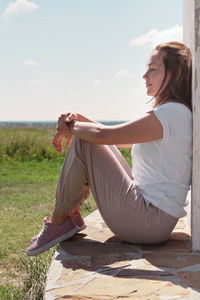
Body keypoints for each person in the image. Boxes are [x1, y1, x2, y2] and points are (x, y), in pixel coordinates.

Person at [26, 41, 192, 256]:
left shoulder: (172, 114)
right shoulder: (175, 113)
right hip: (152, 221)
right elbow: (113, 137)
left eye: (152, 69)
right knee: (88, 140)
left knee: (85, 141)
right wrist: (77, 120)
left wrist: (72, 127)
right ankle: (67, 217)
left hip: (146, 223)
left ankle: (59, 221)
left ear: (175, 74)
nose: (144, 76)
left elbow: (104, 136)